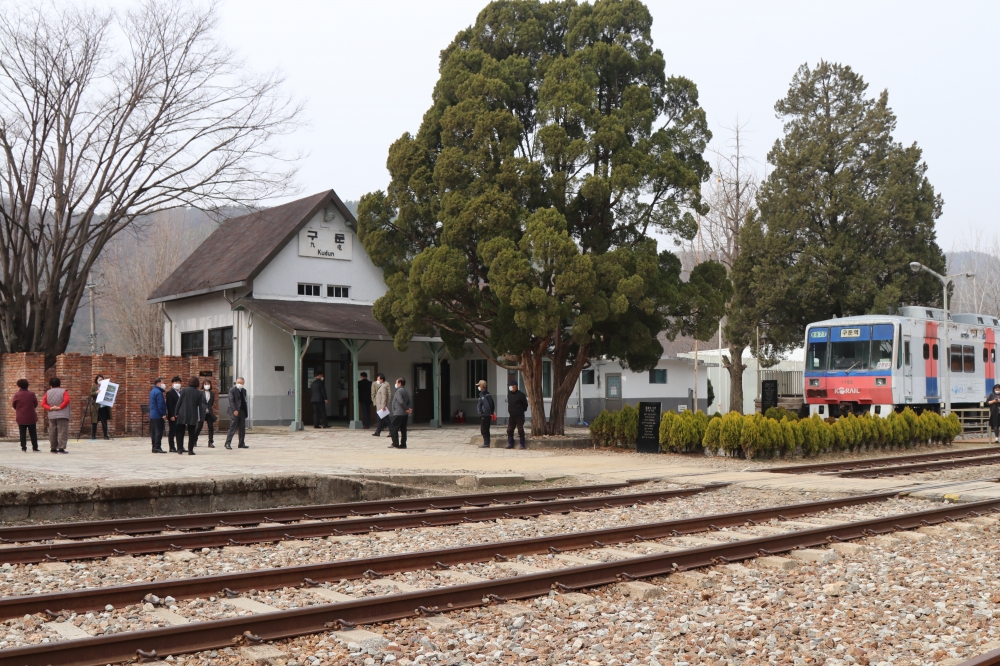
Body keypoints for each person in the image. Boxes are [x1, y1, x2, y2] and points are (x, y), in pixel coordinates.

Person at [41, 377, 70, 454]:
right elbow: (67, 400)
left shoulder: (48, 392)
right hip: (62, 414)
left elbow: (43, 403)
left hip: (52, 415)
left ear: (50, 384)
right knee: (62, 431)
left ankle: (53, 447)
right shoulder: (64, 391)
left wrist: (50, 408)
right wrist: (60, 407)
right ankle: (61, 447)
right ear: (59, 383)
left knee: (52, 431)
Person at [174, 377, 202, 455]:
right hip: (193, 414)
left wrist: (176, 412)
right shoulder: (199, 393)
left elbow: (179, 402)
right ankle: (190, 450)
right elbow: (200, 406)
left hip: (182, 413)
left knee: (180, 432)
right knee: (191, 433)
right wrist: (200, 417)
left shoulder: (184, 390)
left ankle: (179, 449)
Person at [12, 378, 39, 452]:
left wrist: (19, 409)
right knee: (33, 433)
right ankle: (35, 447)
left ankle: (23, 447)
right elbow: (35, 404)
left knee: (22, 433)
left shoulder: (17, 395)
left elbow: (14, 405)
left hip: (21, 416)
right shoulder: (31, 394)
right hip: (31, 416)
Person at [226, 377, 249, 449]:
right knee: (232, 427)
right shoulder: (232, 390)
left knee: (242, 428)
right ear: (236, 382)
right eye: (238, 382)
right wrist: (234, 410)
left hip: (242, 411)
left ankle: (241, 443)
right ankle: (228, 443)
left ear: (243, 383)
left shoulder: (244, 390)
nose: (240, 384)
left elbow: (244, 400)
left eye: (241, 383)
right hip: (235, 411)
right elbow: (231, 401)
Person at [388, 377, 412, 449]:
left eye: (396, 382)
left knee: (393, 428)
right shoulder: (405, 391)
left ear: (400, 383)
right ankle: (403, 444)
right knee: (403, 429)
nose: (395, 384)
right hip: (404, 413)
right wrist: (409, 409)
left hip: (399, 412)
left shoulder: (398, 391)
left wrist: (406, 408)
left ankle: (395, 443)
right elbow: (409, 401)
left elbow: (400, 402)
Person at [505, 381, 528, 450]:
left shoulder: (521, 395)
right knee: (510, 430)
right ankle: (510, 443)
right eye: (509, 386)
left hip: (519, 415)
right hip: (512, 415)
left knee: (520, 429)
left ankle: (522, 444)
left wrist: (520, 410)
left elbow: (525, 405)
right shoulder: (509, 394)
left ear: (516, 386)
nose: (510, 387)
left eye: (511, 386)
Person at [89, 374, 112, 440]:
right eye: (99, 380)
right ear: (96, 380)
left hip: (103, 407)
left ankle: (105, 435)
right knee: (94, 422)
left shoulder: (106, 387)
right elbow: (91, 394)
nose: (100, 381)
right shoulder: (94, 387)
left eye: (102, 380)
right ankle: (93, 435)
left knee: (104, 421)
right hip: (96, 407)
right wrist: (96, 392)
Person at [149, 378, 167, 454]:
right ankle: (157, 447)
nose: (164, 384)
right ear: (159, 383)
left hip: (152, 414)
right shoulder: (159, 392)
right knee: (159, 431)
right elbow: (161, 404)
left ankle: (154, 446)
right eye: (163, 382)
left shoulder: (152, 391)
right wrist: (163, 413)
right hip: (158, 415)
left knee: (153, 431)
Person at [196, 379, 217, 448]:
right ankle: (194, 440)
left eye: (208, 384)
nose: (207, 385)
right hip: (202, 412)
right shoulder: (200, 393)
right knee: (199, 427)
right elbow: (197, 403)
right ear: (203, 385)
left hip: (209, 413)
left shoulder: (212, 393)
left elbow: (212, 403)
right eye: (205, 384)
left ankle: (210, 442)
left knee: (211, 427)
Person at [165, 376, 184, 452]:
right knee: (172, 431)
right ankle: (172, 447)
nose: (177, 384)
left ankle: (181, 447)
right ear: (172, 383)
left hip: (181, 415)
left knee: (181, 432)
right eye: (176, 382)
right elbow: (169, 405)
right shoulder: (170, 393)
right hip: (173, 415)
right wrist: (171, 415)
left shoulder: (182, 392)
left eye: (179, 383)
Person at [476, 379, 495, 449]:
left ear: (482, 386)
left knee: (484, 429)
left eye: (479, 385)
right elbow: (492, 404)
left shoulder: (484, 395)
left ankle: (486, 443)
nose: (478, 387)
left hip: (485, 414)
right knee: (485, 428)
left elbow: (487, 405)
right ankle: (486, 442)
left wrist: (482, 412)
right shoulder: (487, 394)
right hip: (485, 414)